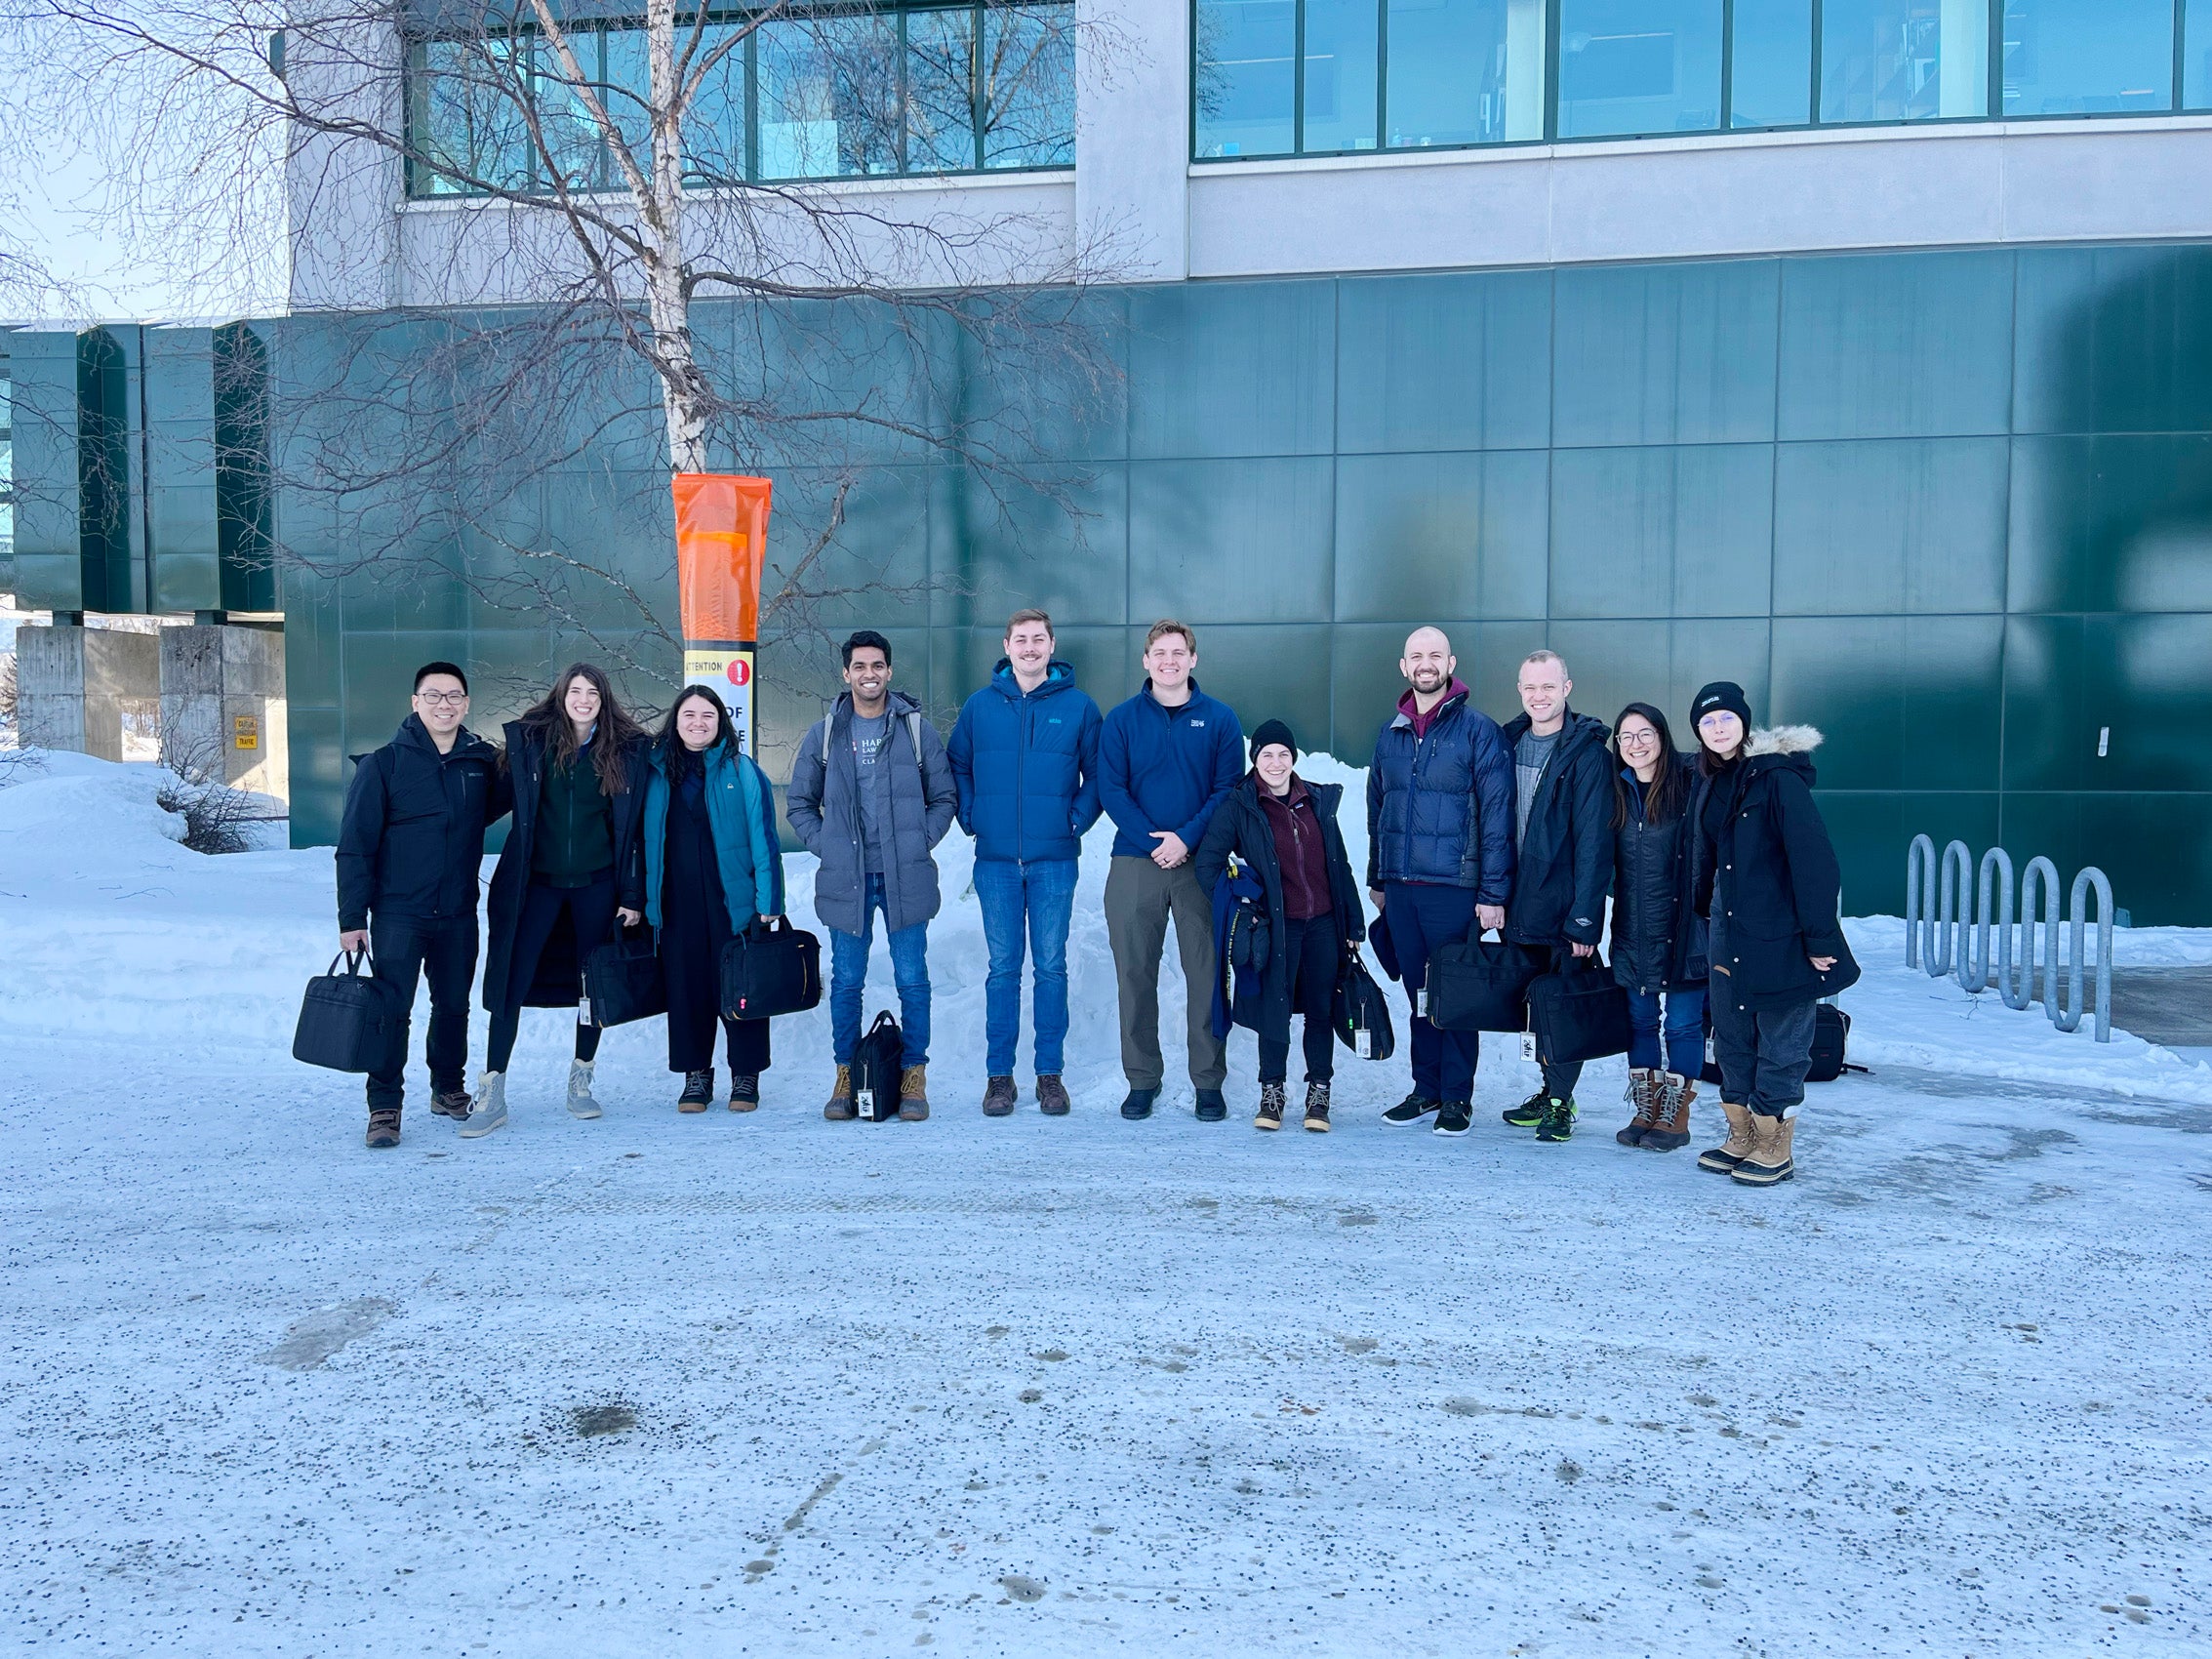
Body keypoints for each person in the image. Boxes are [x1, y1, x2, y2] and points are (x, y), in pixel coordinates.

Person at [467, 664, 650, 1139]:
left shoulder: (624, 752)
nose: (584, 699)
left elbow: (634, 833)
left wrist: (632, 894)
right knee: (510, 980)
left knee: (594, 985)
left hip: (597, 885)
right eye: (576, 691)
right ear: (561, 695)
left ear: (603, 699)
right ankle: (492, 1088)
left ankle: (581, 1078)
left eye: (593, 692)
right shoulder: (531, 744)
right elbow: (488, 801)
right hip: (535, 885)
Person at [1689, 680, 1860, 1188]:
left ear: (1744, 722)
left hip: (1779, 932)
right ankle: (1741, 1134)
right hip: (1727, 929)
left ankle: (1774, 1144)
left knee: (1783, 1039)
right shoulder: (1714, 780)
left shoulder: (1777, 778)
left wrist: (1820, 937)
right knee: (1733, 1034)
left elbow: (1814, 862)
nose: (1717, 728)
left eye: (1726, 719)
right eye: (1707, 722)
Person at [334, 662, 511, 1149]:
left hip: (457, 913)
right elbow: (355, 845)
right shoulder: (384, 764)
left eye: (454, 696)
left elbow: (515, 793)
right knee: (393, 1011)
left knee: (453, 1007)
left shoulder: (479, 763)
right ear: (415, 703)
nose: (444, 705)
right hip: (398, 915)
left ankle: (448, 1090)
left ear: (467, 704)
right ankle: (385, 1106)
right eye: (433, 696)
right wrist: (352, 918)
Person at [787, 629, 957, 1122]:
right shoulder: (825, 733)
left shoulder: (915, 730)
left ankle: (913, 1077)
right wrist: (830, 847)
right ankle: (845, 1074)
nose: (869, 674)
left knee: (913, 980)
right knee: (846, 982)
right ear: (846, 673)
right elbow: (799, 803)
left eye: (877, 665)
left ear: (889, 670)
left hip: (906, 876)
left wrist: (918, 841)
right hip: (848, 880)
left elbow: (944, 798)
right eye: (859, 666)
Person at [946, 609, 1103, 1117]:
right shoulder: (980, 707)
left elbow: (1099, 775)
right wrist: (971, 815)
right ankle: (999, 1079)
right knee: (1002, 969)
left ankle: (1049, 1076)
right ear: (1007, 646)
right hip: (995, 863)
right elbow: (958, 765)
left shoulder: (1079, 708)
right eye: (1021, 640)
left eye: (1039, 639)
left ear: (1052, 646)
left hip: (1054, 860)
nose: (1030, 648)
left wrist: (1073, 821)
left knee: (1052, 967)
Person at [1367, 627, 1514, 1138]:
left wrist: (1493, 893)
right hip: (1402, 889)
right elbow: (1376, 808)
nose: (1425, 663)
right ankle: (1425, 1088)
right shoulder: (1391, 732)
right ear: (1403, 666)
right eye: (1416, 656)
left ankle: (1457, 1096)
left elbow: (1498, 815)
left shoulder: (1479, 731)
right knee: (1417, 994)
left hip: (1454, 889)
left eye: (1435, 655)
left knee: (1454, 994)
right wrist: (1377, 877)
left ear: (1450, 662)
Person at [1098, 620, 1244, 1122]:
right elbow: (1111, 789)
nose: (1169, 660)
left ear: (1193, 659)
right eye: (1159, 652)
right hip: (1134, 863)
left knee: (1205, 975)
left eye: (1178, 652)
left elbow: (1226, 791)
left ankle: (1208, 1082)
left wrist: (1186, 838)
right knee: (1134, 975)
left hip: (1200, 866)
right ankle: (1142, 1080)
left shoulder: (1221, 720)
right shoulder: (1120, 721)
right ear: (1146, 660)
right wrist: (1153, 840)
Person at [1194, 721, 1365, 1132]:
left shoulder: (1318, 802)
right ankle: (1272, 1092)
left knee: (1322, 1011)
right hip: (1276, 929)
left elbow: (1338, 865)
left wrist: (1353, 922)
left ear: (1294, 759)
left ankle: (1319, 1092)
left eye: (1283, 754)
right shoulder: (1241, 805)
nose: (1275, 762)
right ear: (1256, 759)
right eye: (1267, 754)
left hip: (1323, 924)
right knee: (1276, 1012)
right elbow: (1208, 864)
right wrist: (1244, 905)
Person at [642, 684, 786, 1113]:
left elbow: (765, 840)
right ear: (676, 721)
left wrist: (769, 900)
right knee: (687, 988)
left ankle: (746, 1076)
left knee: (741, 987)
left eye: (707, 716)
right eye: (689, 715)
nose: (698, 723)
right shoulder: (655, 773)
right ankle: (696, 1076)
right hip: (676, 901)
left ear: (721, 722)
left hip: (732, 901)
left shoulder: (740, 770)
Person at [1499, 649, 1613, 1144]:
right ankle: (1549, 1090)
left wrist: (1586, 919)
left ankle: (1562, 1101)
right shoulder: (1507, 743)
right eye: (1529, 687)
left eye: (1548, 686)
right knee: (1532, 1005)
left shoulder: (1588, 756)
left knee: (1563, 1004)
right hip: (1517, 899)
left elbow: (1595, 843)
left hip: (1564, 906)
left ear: (1567, 688)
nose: (1538, 696)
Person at [1605, 703, 1709, 1153]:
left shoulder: (1691, 784)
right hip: (1633, 928)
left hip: (1684, 929)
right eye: (1626, 736)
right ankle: (1647, 1109)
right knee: (1640, 1022)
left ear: (1663, 738)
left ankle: (1676, 1115)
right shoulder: (1615, 792)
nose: (1636, 744)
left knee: (1683, 1026)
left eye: (1645, 734)